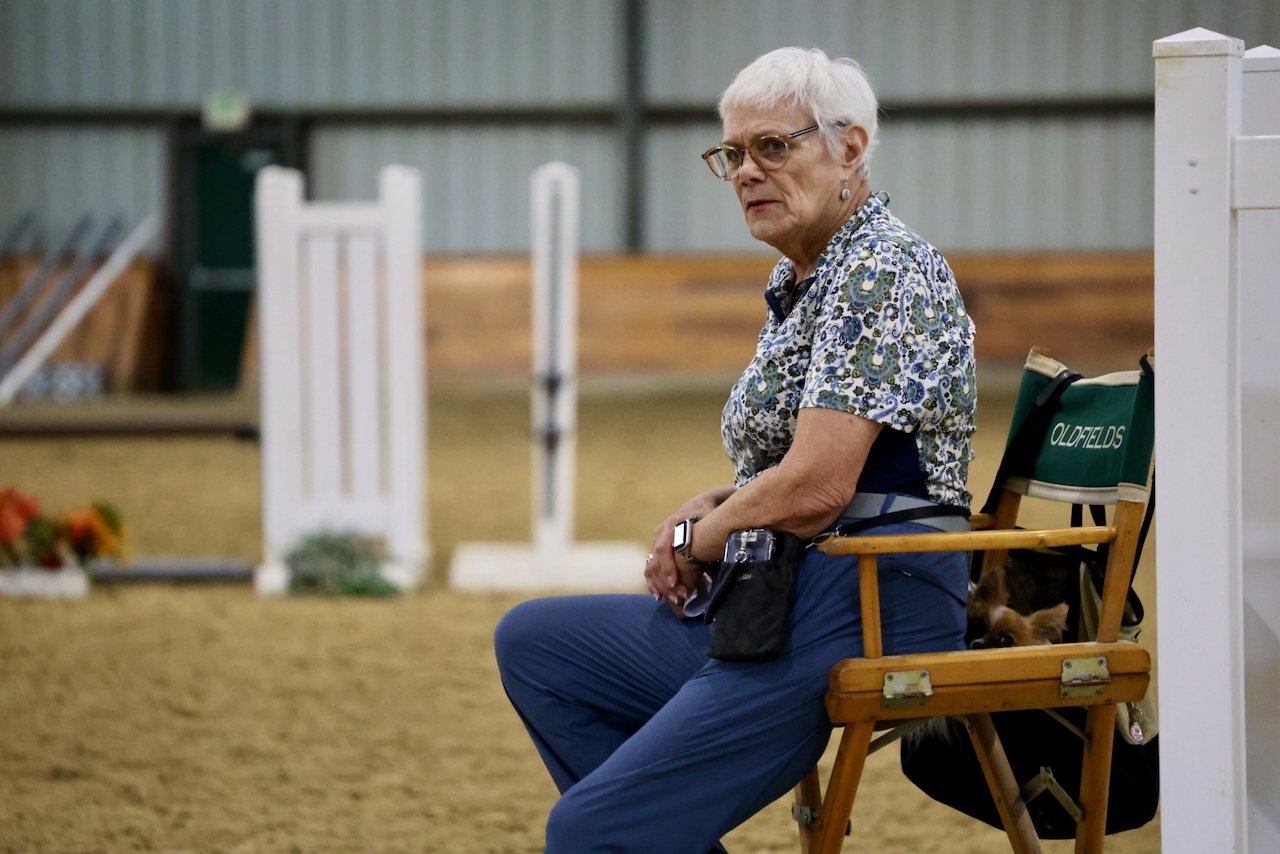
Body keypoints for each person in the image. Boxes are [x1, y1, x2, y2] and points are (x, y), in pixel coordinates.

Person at [494, 46, 976, 852]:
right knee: (537, 646)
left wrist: (695, 539)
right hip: (793, 585)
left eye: (773, 147)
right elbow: (806, 463)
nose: (747, 172)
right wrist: (721, 502)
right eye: (733, 154)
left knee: (591, 831)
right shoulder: (804, 280)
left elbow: (820, 485)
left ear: (850, 148)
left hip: (867, 595)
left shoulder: (879, 269)